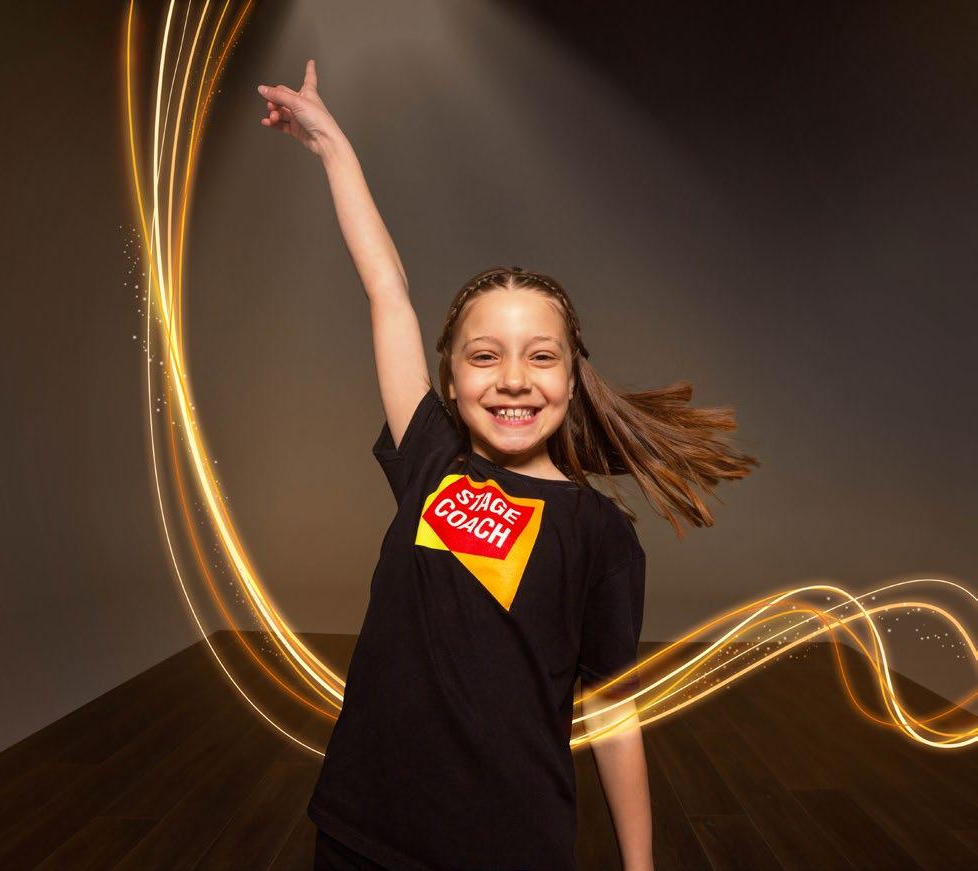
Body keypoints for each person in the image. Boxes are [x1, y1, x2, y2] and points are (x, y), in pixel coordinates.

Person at [256, 60, 758, 871]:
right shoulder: (430, 460)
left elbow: (613, 710)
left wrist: (638, 867)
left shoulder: (598, 534)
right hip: (359, 829)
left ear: (572, 378)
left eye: (540, 356)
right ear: (450, 379)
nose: (513, 379)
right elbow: (387, 288)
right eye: (485, 356)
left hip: (506, 848)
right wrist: (332, 146)